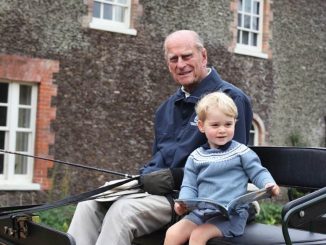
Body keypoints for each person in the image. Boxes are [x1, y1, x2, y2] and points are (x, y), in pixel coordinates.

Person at [67, 30, 253, 245]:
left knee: (122, 211)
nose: (180, 64)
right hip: (157, 195)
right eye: (173, 59)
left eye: (187, 56)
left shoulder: (231, 99)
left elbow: (231, 168)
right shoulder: (165, 109)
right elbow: (159, 159)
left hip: (196, 200)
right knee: (90, 203)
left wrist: (174, 177)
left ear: (203, 56)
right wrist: (145, 176)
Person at [164, 92, 280, 245]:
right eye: (215, 125)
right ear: (201, 126)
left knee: (198, 235)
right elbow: (189, 185)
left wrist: (268, 185)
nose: (222, 130)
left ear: (234, 123)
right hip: (202, 213)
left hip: (232, 216)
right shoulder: (196, 157)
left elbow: (258, 172)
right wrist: (183, 203)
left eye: (228, 124)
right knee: (172, 233)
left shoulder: (241, 152)